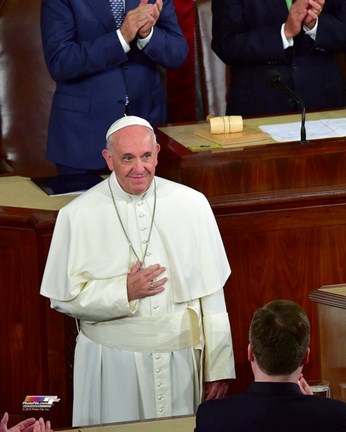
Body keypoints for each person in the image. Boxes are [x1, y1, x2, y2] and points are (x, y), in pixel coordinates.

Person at [40, 115, 235, 426]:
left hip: (180, 361)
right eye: (127, 158)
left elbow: (212, 296)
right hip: (112, 364)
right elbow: (62, 299)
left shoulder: (193, 205)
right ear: (108, 159)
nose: (139, 168)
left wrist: (219, 368)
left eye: (146, 156)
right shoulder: (76, 215)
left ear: (157, 153)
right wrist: (123, 291)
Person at [40, 0, 188, 174]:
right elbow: (60, 62)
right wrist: (121, 38)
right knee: (85, 201)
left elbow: (177, 53)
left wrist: (147, 34)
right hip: (83, 138)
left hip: (146, 129)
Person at [195, 299, 346, 432]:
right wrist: (318, 408)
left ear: (250, 353)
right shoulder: (337, 416)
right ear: (306, 356)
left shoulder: (211, 416)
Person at [211, 0, 346, 117]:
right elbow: (225, 44)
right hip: (259, 104)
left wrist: (314, 25)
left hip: (325, 102)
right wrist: (284, 32)